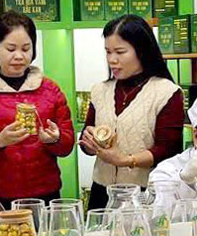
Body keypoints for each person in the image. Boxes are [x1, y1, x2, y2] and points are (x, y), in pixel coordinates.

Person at [0, 10, 75, 208]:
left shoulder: (50, 89)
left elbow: (68, 145)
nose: (19, 56)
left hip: (44, 192)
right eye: (10, 49)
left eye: (26, 49)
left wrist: (55, 139)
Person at [79, 14, 185, 210]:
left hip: (145, 194)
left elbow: (168, 150)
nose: (112, 60)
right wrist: (89, 143)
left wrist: (126, 161)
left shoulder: (167, 92)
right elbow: (85, 141)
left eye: (120, 52)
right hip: (102, 193)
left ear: (142, 51)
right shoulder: (100, 91)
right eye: (108, 52)